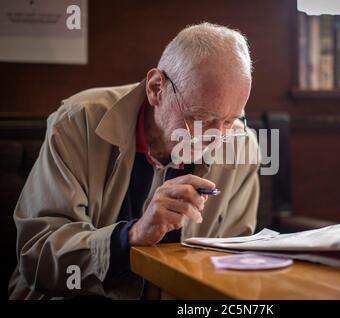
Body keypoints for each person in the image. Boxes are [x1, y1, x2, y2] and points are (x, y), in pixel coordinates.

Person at [8, 22, 260, 299]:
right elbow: (38, 257)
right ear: (156, 88)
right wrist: (131, 236)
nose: (216, 137)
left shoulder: (240, 143)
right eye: (200, 118)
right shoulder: (78, 121)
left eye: (230, 120)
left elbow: (233, 260)